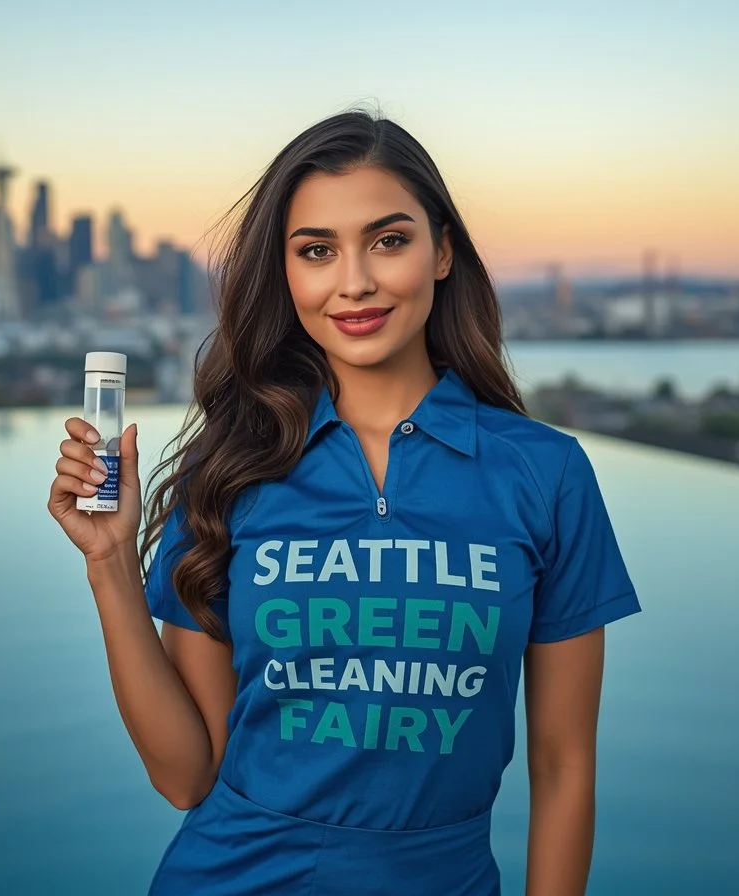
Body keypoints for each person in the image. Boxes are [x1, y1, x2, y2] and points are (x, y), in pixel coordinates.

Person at [48, 109, 641, 896]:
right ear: (287, 274)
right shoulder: (228, 469)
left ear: (442, 253)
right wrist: (111, 564)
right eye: (317, 251)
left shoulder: (546, 474)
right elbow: (188, 779)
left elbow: (565, 767)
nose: (353, 281)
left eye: (388, 240)